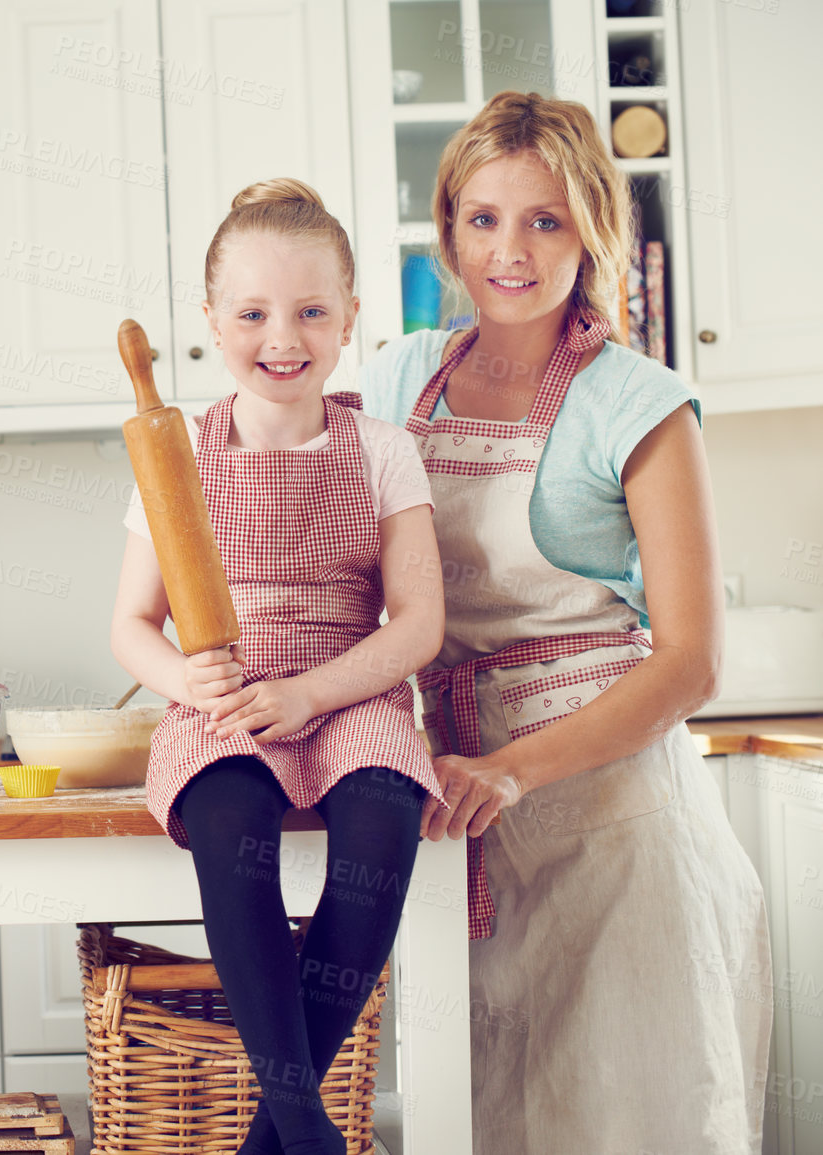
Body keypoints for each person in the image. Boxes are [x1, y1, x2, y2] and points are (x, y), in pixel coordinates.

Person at [357, 91, 772, 1153]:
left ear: (591, 230)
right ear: (448, 228)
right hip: (462, 824)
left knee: (627, 1121)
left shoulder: (639, 403)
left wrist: (514, 769)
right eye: (484, 218)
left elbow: (690, 660)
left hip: (615, 834)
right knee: (485, 1117)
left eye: (545, 220)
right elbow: (343, 571)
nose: (511, 250)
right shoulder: (400, 377)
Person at [111, 179, 445, 1155]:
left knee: (384, 827)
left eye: (309, 311)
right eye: (252, 313)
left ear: (350, 320)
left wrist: (314, 693)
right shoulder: (175, 457)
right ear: (211, 320)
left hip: (350, 686)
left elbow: (418, 623)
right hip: (228, 693)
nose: (281, 336)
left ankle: (279, 1138)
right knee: (230, 825)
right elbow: (133, 624)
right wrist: (185, 682)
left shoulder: (383, 450)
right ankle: (307, 1129)